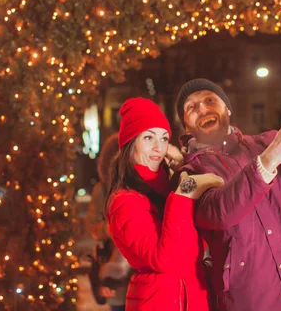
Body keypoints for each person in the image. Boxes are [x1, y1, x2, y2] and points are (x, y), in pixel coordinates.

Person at [177, 78, 281, 311]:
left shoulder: (267, 142)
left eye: (209, 100)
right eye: (191, 107)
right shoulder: (189, 174)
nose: (202, 108)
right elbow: (219, 213)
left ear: (228, 109)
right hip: (255, 302)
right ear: (186, 126)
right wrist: (269, 160)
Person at [105, 97, 223, 311]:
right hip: (161, 302)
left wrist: (181, 170)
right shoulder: (124, 201)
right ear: (130, 143)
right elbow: (163, 260)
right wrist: (185, 192)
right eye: (148, 137)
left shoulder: (167, 188)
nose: (158, 147)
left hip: (194, 297)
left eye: (163, 138)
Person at [86, 133, 130, 311]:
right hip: (114, 267)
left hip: (141, 270)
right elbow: (92, 225)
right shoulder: (102, 190)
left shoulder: (143, 186)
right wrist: (109, 228)